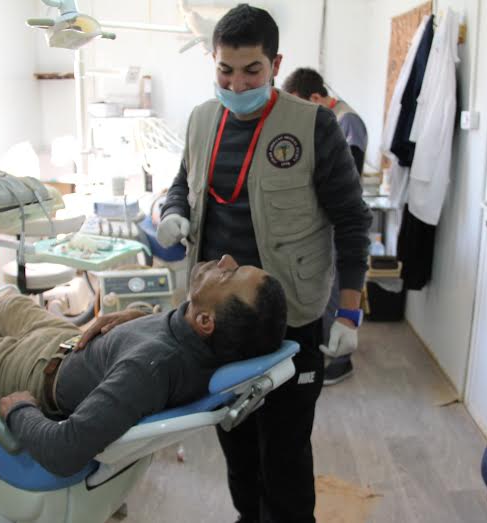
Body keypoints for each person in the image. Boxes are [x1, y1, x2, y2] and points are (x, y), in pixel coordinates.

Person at [156, 5, 372, 522]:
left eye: (251, 70)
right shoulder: (202, 119)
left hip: (290, 320)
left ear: (276, 64)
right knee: (236, 443)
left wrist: (348, 312)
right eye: (225, 70)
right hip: (218, 321)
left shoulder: (313, 126)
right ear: (213, 62)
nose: (236, 84)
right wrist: (173, 212)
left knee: (285, 455)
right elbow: (182, 183)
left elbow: (352, 221)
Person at [0, 254, 287, 477]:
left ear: (206, 321)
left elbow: (64, 451)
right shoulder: (198, 337)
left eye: (228, 275)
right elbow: (174, 335)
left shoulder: (148, 369)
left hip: (33, 374)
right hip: (67, 342)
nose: (224, 260)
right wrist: (140, 317)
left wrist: (20, 411)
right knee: (14, 305)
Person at [282, 67, 369, 386]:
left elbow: (348, 175)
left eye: (300, 104)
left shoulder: (346, 120)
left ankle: (339, 360)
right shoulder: (332, 118)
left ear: (316, 98)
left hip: (338, 216)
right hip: (324, 215)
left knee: (334, 289)